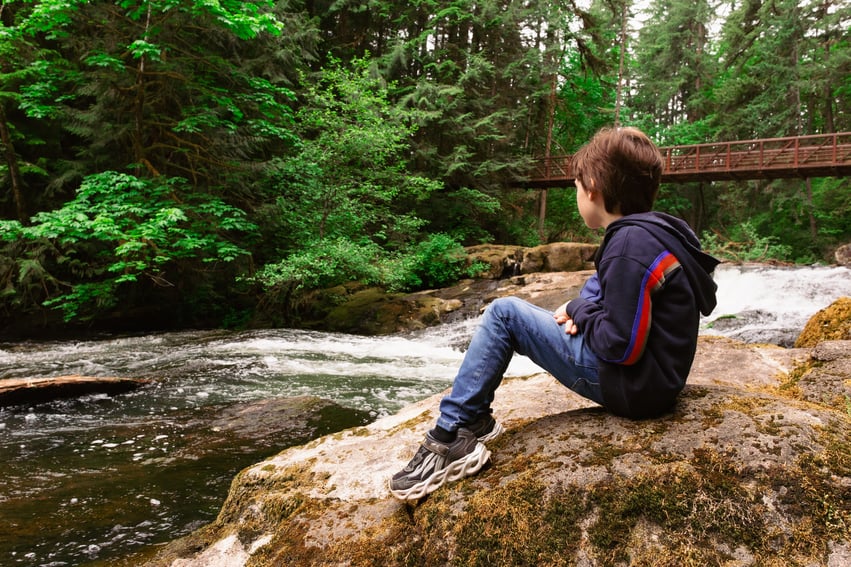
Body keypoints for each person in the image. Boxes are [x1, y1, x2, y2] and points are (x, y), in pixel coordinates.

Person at [389, 126, 720, 501]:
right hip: (656, 381)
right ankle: (473, 419)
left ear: (592, 186)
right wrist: (584, 307)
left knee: (504, 314)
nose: (577, 194)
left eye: (576, 187)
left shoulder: (629, 246)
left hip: (634, 386)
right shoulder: (653, 233)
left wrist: (579, 309)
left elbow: (621, 346)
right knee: (592, 288)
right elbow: (613, 299)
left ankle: (452, 435)